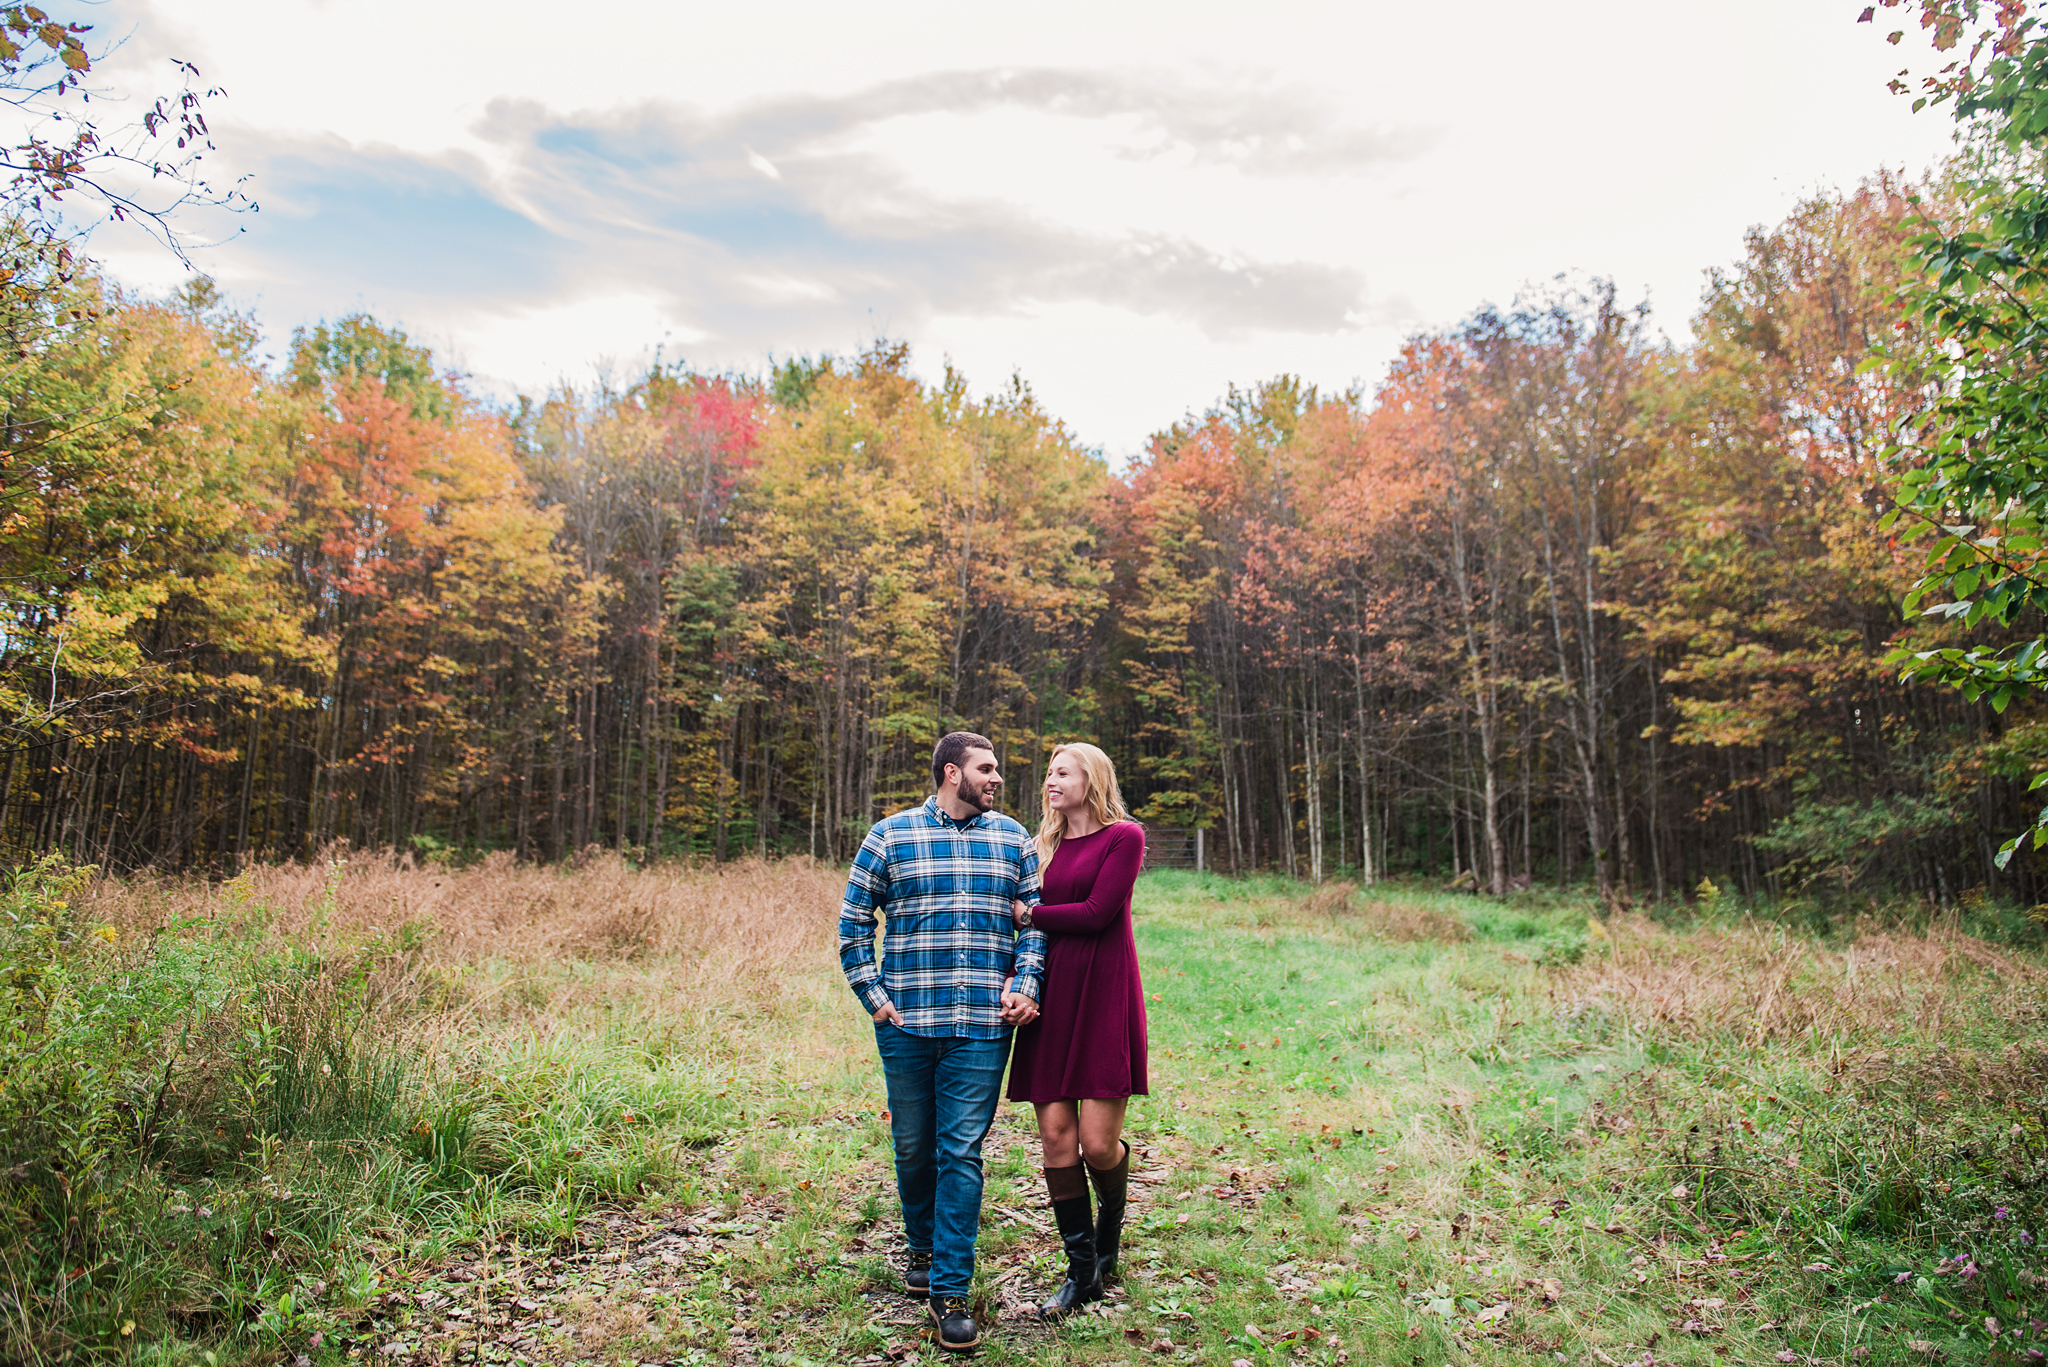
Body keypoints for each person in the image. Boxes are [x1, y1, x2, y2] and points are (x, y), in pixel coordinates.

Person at [838, 731, 1046, 1355]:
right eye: (987, 769)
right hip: (907, 1025)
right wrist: (875, 999)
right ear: (952, 773)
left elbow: (1034, 924)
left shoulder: (1013, 839)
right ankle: (923, 1247)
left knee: (960, 1151)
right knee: (912, 1146)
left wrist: (1027, 981)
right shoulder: (890, 836)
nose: (998, 778)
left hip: (982, 1027)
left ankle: (950, 1292)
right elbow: (853, 926)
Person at [1004, 742, 1148, 1318]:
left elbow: (1096, 913)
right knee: (1057, 1141)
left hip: (1104, 992)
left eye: (1062, 773)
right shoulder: (1043, 847)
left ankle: (1108, 1230)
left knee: (1096, 1145)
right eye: (1048, 775)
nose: (1051, 782)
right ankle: (1082, 1270)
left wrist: (1031, 913)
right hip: (1051, 995)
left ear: (1092, 778)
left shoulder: (1125, 838)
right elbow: (1026, 926)